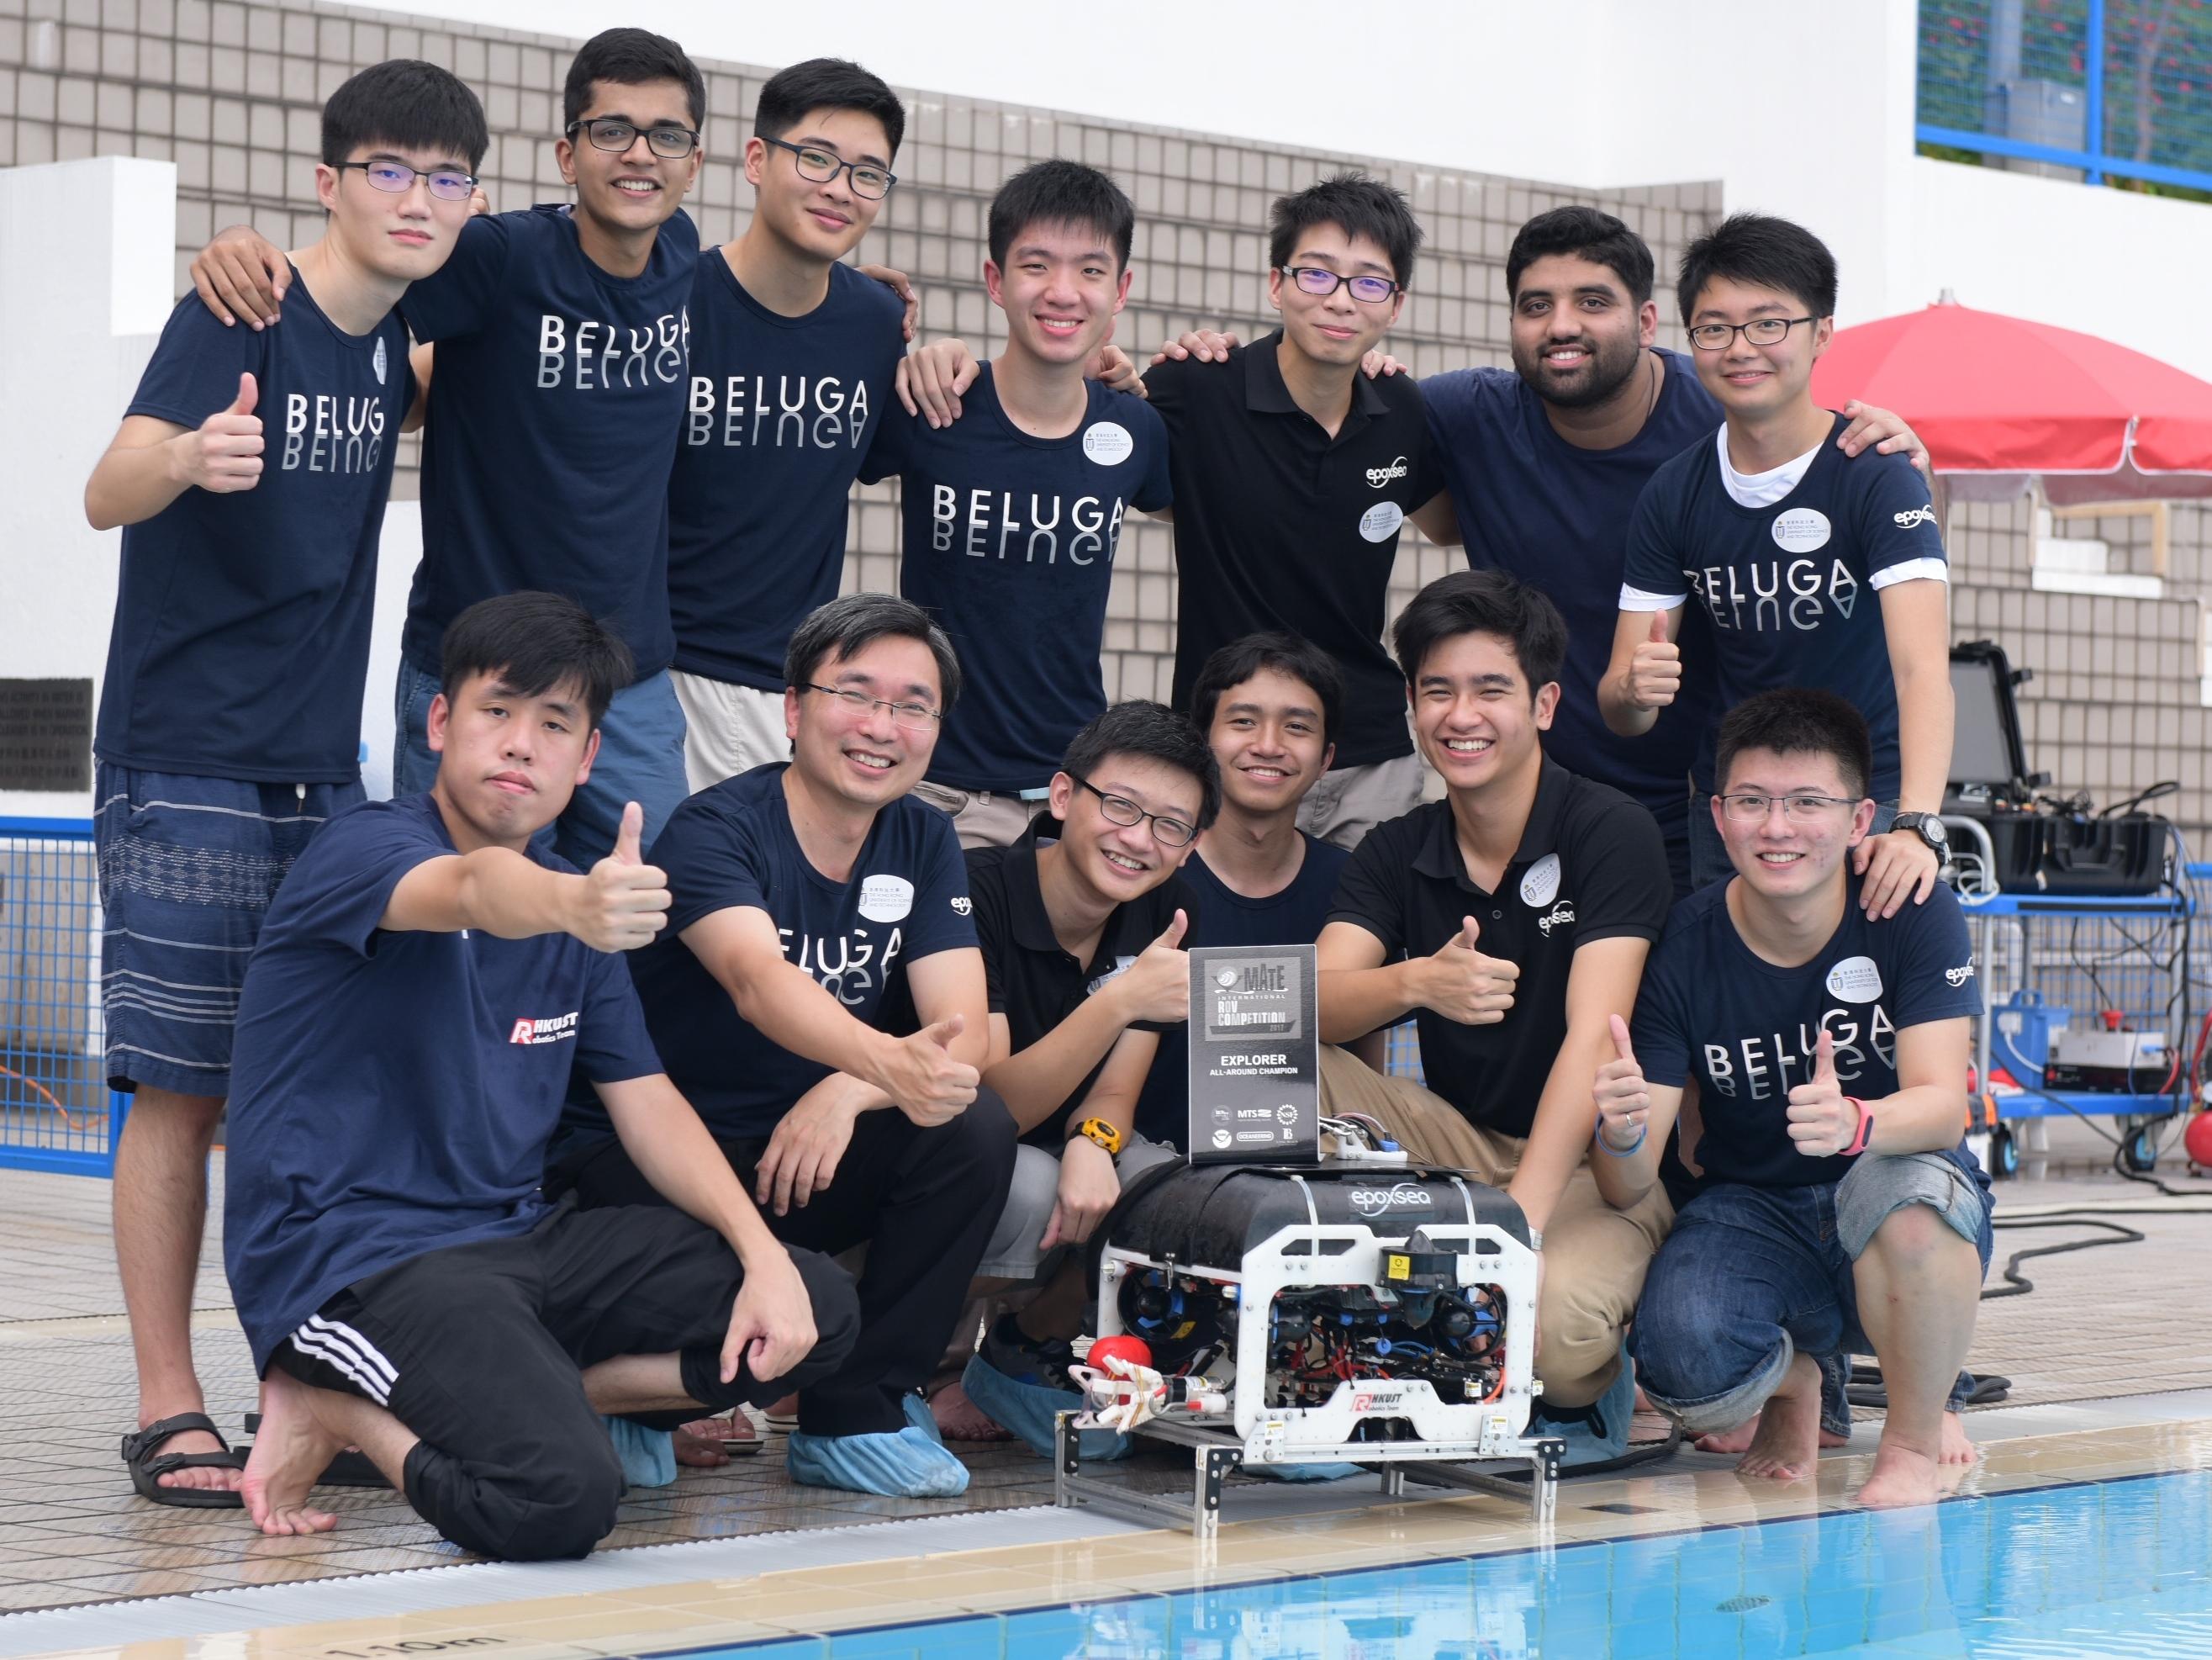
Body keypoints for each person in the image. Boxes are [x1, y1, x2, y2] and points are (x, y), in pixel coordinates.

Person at [220, 591, 858, 1558]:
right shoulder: (371, 850)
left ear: (589, 756)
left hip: (517, 1241)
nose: (522, 744)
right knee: (556, 1500)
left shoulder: (577, 920)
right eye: (497, 711)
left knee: (819, 1306)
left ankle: (525, 1391)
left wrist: (762, 1257)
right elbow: (476, 888)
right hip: (351, 1261)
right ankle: (335, 1408)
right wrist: (576, 900)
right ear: (440, 724)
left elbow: (650, 1110)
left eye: (555, 723)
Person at [82, 60, 487, 1509]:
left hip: (323, 766)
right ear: (328, 182)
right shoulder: (239, 306)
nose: (416, 200)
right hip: (188, 746)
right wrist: (190, 453)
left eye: (444, 178)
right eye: (387, 169)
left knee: (301, 1088)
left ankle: (292, 1384)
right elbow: (105, 484)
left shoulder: (401, 346)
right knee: (180, 1086)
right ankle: (164, 1401)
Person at [191, 29, 712, 867]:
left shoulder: (685, 257)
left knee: (647, 927)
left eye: (667, 136)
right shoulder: (497, 257)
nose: (639, 155)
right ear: (566, 154)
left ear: (695, 159)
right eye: (611, 131)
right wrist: (250, 253)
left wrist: (869, 293)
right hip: (477, 674)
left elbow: (764, 282)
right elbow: (352, 296)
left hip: (630, 687)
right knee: (453, 935)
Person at [545, 593, 1017, 1499]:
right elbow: (758, 981)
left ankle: (854, 1412)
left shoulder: (920, 836)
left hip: (805, 1155)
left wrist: (848, 1091)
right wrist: (882, 1063)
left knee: (971, 1127)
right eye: (857, 694)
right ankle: (630, 1398)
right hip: (656, 1164)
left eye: (912, 705)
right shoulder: (716, 828)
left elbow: (956, 1033)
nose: (883, 726)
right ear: (795, 710)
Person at [1314, 568, 1674, 1467]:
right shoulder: (1399, 846)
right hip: (1459, 1148)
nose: (1460, 715)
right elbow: (1314, 999)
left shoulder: (1608, 830)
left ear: (1545, 705)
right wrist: (1414, 986)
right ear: (1409, 707)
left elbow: (1599, 1036)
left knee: (1552, 1342)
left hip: (1598, 1165)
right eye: (1437, 690)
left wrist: (1515, 1230)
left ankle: (1602, 1370)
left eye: (1490, 690)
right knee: (1285, 1065)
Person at [1607, 689, 1991, 1509]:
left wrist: (1859, 1121)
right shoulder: (1685, 942)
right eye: (1752, 802)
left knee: (1914, 1204)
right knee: (1684, 1365)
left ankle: (1916, 1434)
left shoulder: (1909, 908)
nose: (1777, 829)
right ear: (1717, 815)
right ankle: (1802, 1379)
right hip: (1753, 1206)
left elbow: (1943, 1109)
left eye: (1808, 803)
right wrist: (1619, 1128)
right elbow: (1631, 1178)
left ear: (1859, 820)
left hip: (1883, 1183)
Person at [1600, 213, 1953, 905]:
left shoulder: (1874, 471)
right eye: (1714, 328)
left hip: (1867, 811)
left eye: (1768, 324)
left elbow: (1923, 668)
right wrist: (1635, 691)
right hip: (1738, 812)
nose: (1741, 348)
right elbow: (1621, 706)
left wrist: (1915, 823)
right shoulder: (1674, 491)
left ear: (1820, 333)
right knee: (1735, 1008)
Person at [859, 161, 1171, 849]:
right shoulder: (933, 403)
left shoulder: (1135, 430)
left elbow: (1200, 513)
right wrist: (867, 316)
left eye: (1090, 271)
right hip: (937, 791)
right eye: (1036, 265)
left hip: (1072, 798)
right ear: (996, 280)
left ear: (1120, 290)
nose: (1063, 292)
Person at [949, 701, 1214, 1455]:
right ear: (1063, 797)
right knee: (1026, 1183)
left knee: (1166, 1196)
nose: (1139, 841)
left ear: (1190, 848)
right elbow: (989, 1100)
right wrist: (1121, 999)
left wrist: (1095, 1142)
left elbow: (1113, 1093)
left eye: (1170, 826)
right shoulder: (978, 886)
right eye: (1122, 807)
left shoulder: (1168, 909)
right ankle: (883, 1373)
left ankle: (1025, 1358)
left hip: (1056, 1135)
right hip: (951, 1142)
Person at [666, 58, 911, 790]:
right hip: (658, 676)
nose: (840, 188)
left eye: (868, 173)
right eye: (816, 158)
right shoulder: (675, 300)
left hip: (792, 693)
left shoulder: (874, 323)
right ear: (755, 159)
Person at [1130, 632, 1357, 1147]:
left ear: (1326, 759)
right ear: (1203, 741)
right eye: (1243, 722)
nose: (1269, 745)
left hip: (1300, 1170)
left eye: (1297, 727)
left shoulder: (1351, 885)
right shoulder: (1147, 873)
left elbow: (1357, 1045)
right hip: (1141, 1162)